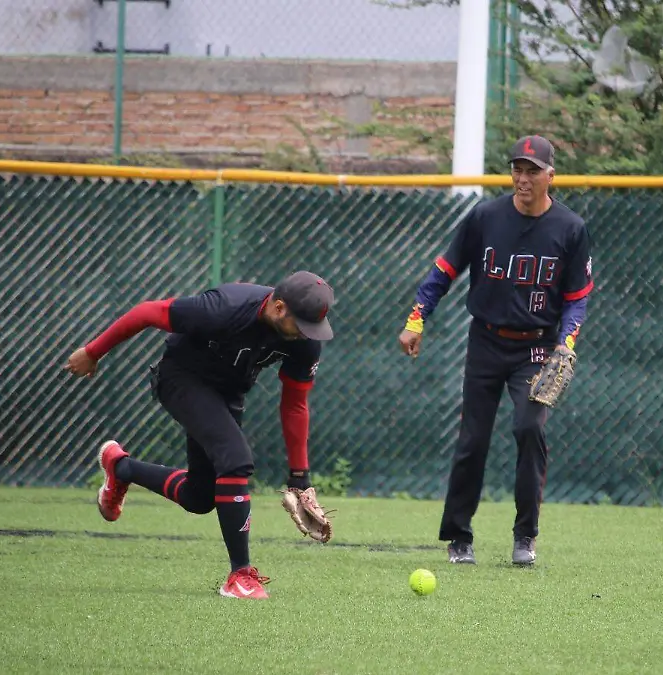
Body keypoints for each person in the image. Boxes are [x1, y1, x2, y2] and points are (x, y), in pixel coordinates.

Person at [63, 271, 336, 599]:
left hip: (228, 392)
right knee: (236, 461)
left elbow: (294, 404)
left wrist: (300, 478)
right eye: (303, 325)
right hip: (182, 378)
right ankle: (240, 575)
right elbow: (149, 312)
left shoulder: (305, 339)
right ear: (279, 308)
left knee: (200, 497)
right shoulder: (224, 307)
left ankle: (121, 468)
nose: (308, 334)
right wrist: (93, 351)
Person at [397, 135, 594, 566]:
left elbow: (577, 296)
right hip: (486, 341)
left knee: (530, 429)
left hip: (537, 347)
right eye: (518, 169)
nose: (523, 178)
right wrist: (417, 318)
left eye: (533, 170)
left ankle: (526, 536)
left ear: (550, 175)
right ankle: (458, 536)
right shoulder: (485, 217)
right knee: (473, 440)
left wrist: (567, 341)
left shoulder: (570, 228)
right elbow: (444, 271)